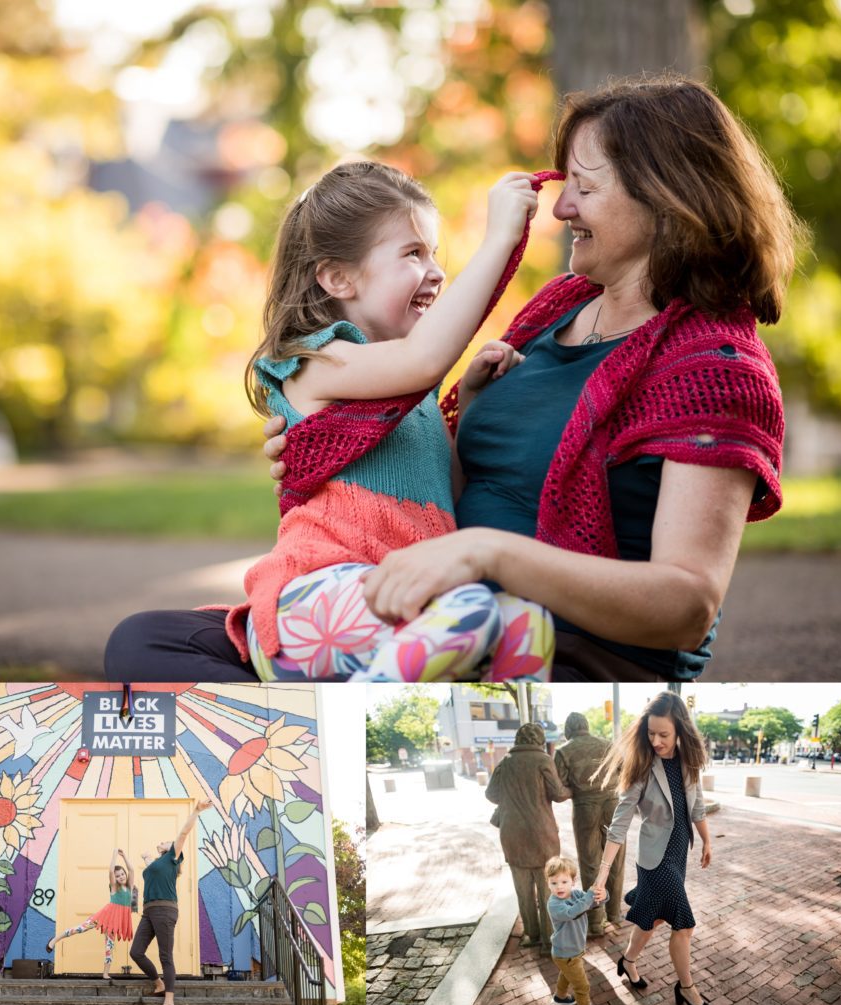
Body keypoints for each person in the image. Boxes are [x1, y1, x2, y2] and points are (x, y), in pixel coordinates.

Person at [105, 73, 801, 683]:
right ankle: (360, 700)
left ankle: (356, 713)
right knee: (146, 642)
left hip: (554, 646)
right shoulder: (556, 310)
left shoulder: (712, 367)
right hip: (414, 599)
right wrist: (343, 441)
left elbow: (686, 608)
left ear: (667, 197)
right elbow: (439, 451)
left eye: (583, 188)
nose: (560, 209)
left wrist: (486, 553)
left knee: (445, 638)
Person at [111, 161, 558, 683]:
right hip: (316, 596)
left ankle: (493, 732)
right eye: (413, 253)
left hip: (392, 603)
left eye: (435, 253)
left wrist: (473, 401)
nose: (435, 271)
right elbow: (422, 358)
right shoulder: (314, 361)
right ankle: (365, 720)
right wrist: (500, 238)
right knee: (473, 611)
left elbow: (448, 495)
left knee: (527, 621)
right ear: (338, 276)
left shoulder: (413, 395)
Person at [591, 690, 713, 1005]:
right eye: (651, 733)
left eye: (664, 734)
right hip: (655, 860)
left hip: (678, 855)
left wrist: (706, 841)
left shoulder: (689, 761)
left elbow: (697, 805)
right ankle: (686, 987)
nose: (656, 740)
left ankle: (627, 960)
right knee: (683, 925)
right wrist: (602, 875)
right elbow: (618, 825)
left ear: (680, 731)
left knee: (652, 918)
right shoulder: (643, 765)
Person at [484, 722, 571, 952]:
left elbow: (491, 794)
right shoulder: (543, 761)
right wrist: (573, 788)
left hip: (513, 836)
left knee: (523, 891)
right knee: (548, 888)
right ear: (539, 739)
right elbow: (559, 793)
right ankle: (548, 938)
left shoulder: (505, 763)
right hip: (542, 836)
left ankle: (531, 934)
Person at [131, 800, 211, 1005]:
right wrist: (148, 858)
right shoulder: (159, 863)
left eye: (168, 841)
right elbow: (151, 871)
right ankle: (159, 983)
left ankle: (169, 1002)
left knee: (165, 956)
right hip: (149, 911)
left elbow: (184, 832)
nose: (165, 841)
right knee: (136, 952)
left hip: (165, 910)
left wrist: (196, 810)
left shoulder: (172, 858)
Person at [554, 711, 625, 934]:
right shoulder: (608, 745)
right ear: (586, 725)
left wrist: (578, 789)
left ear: (568, 730)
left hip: (585, 809)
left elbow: (559, 789)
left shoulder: (563, 752)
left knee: (590, 863)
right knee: (616, 860)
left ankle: (595, 921)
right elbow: (625, 774)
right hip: (612, 805)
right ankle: (614, 913)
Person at [45, 848, 134, 980]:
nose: (121, 876)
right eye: (118, 875)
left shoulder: (129, 887)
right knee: (81, 928)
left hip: (114, 922)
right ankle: (55, 939)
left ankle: (105, 973)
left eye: (122, 874)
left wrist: (124, 856)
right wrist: (115, 855)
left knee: (110, 946)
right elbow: (110, 871)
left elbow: (131, 870)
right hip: (105, 916)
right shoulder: (115, 887)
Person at [545, 854, 607, 1005]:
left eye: (564, 882)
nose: (559, 887)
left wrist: (601, 895)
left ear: (573, 881)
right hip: (565, 952)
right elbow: (572, 913)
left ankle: (560, 996)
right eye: (554, 882)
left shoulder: (576, 894)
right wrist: (588, 897)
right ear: (548, 883)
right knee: (582, 985)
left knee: (566, 974)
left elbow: (592, 902)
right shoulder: (554, 904)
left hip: (574, 950)